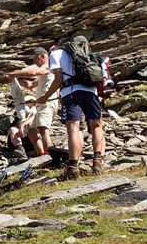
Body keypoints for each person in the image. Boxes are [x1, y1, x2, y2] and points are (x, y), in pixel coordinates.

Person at [35, 36, 108, 176]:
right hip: (91, 92)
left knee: (74, 127)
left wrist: (45, 97)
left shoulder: (57, 54)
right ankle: (98, 161)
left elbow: (58, 79)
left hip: (71, 93)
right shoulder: (89, 53)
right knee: (96, 125)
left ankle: (73, 167)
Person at [5, 51, 57, 159]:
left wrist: (16, 73)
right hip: (40, 104)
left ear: (42, 56)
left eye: (35, 58)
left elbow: (33, 73)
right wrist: (16, 80)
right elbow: (31, 84)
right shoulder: (43, 73)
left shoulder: (49, 66)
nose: (34, 61)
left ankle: (51, 156)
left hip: (47, 102)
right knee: (32, 130)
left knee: (43, 128)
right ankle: (41, 155)